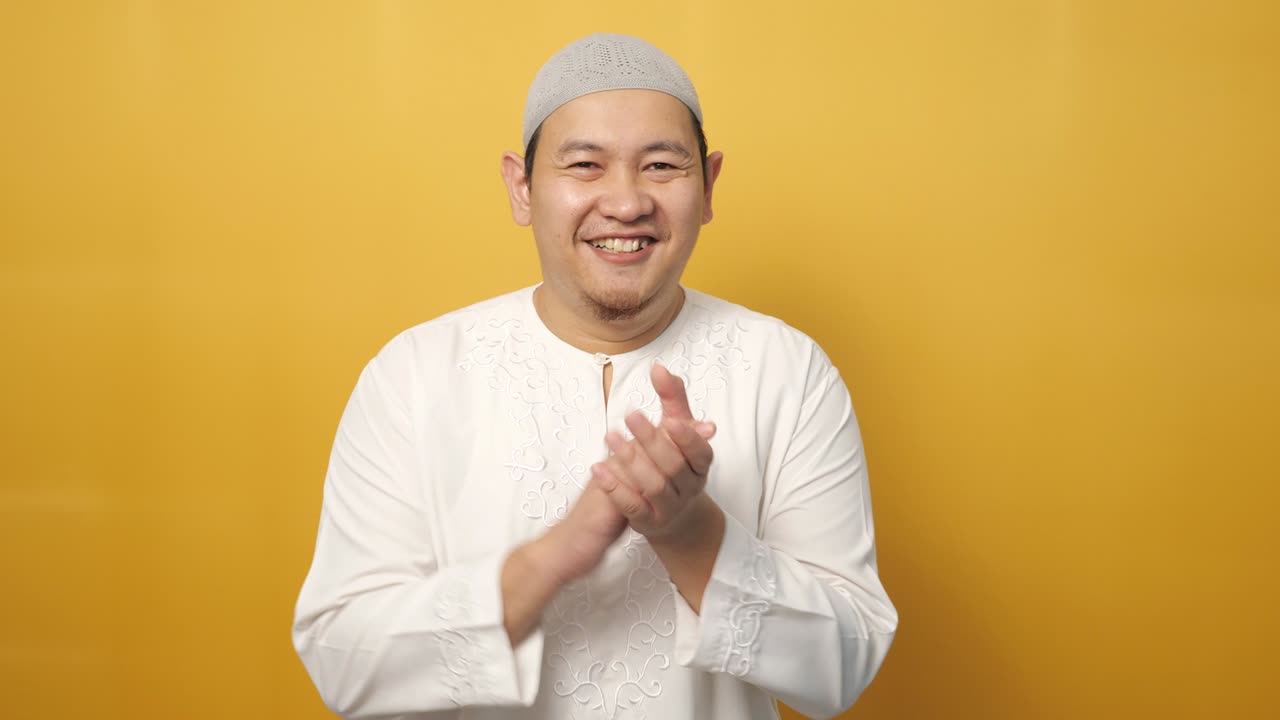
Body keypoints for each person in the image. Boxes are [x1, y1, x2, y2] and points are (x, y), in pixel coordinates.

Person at [293, 32, 897, 720]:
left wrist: (690, 531)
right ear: (522, 188)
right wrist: (554, 556)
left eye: (662, 166)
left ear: (708, 186)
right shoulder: (415, 375)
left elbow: (846, 665)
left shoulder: (788, 371)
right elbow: (343, 660)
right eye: (584, 165)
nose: (626, 201)